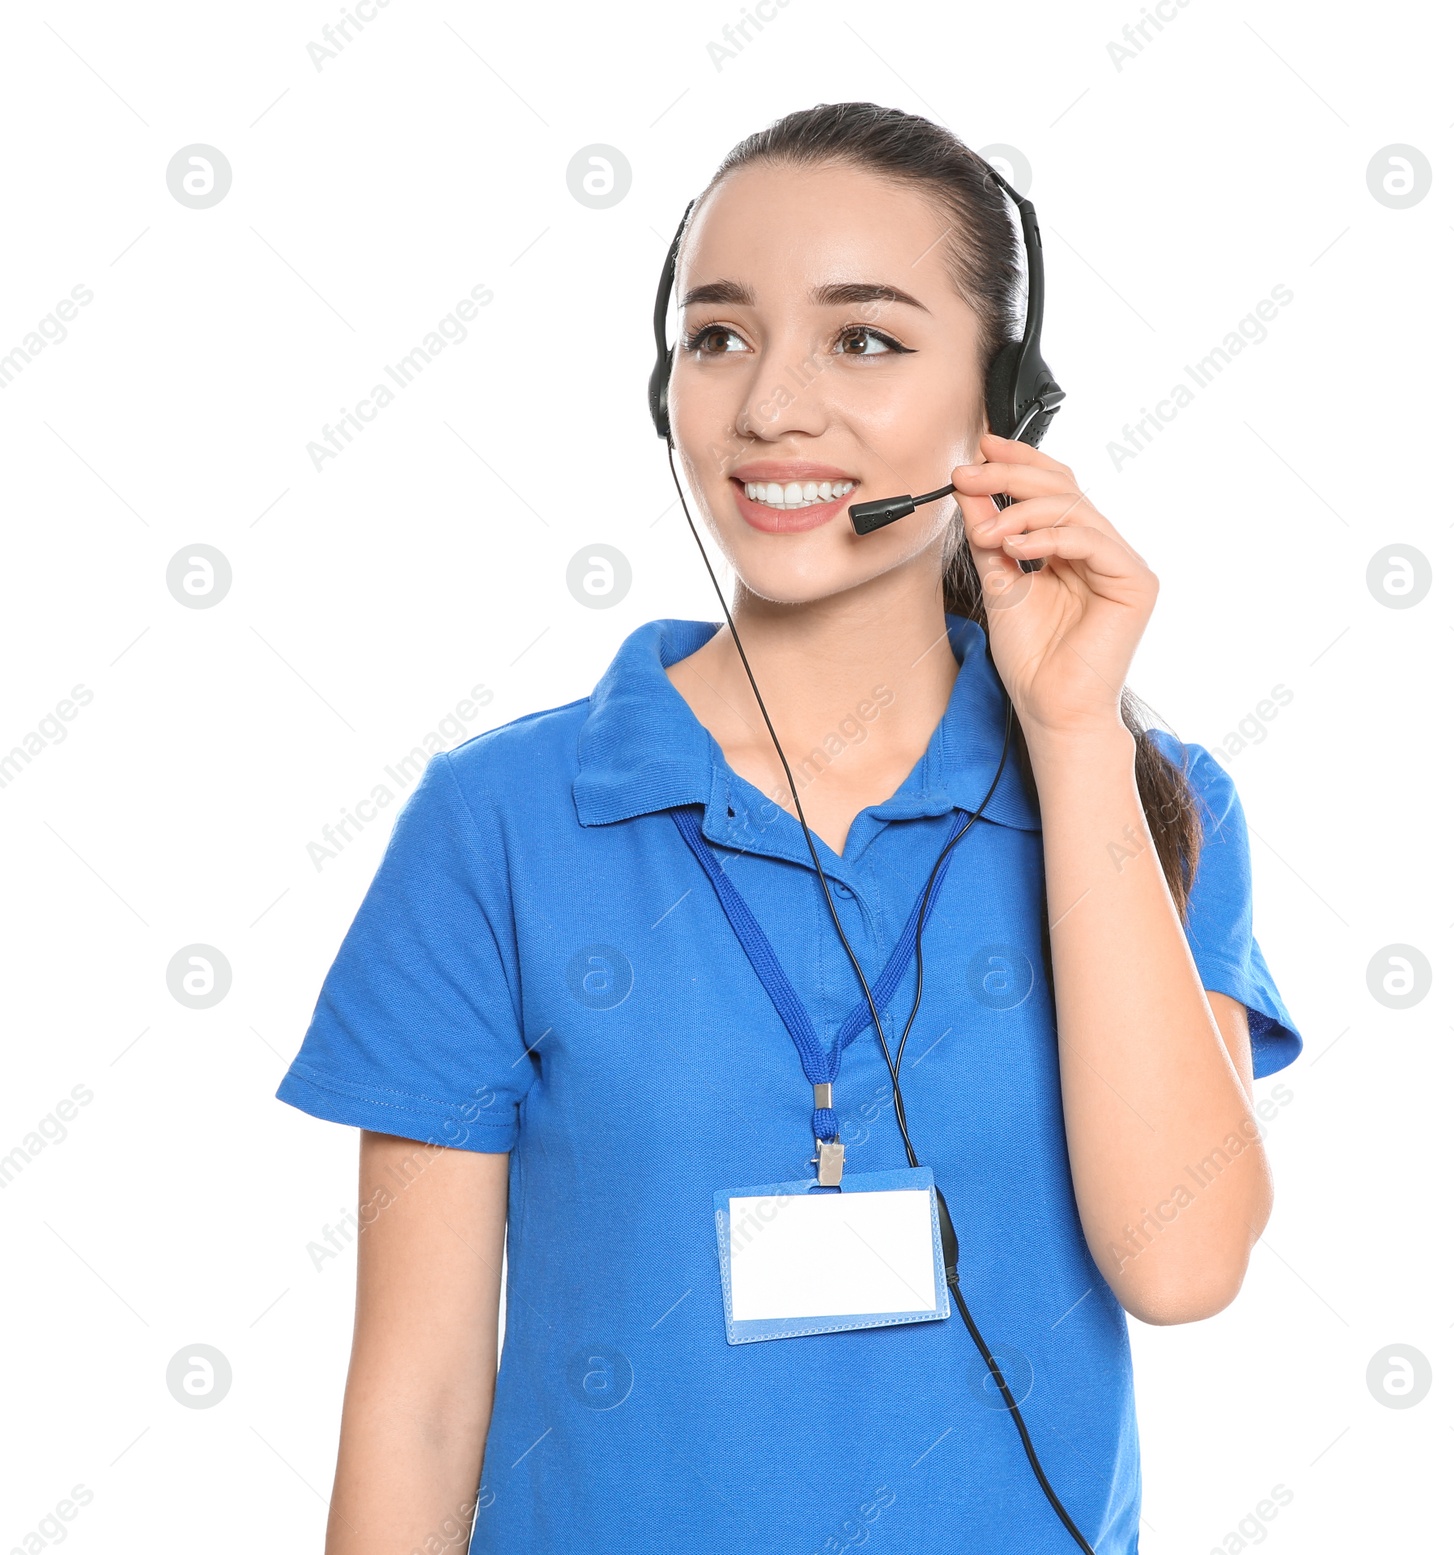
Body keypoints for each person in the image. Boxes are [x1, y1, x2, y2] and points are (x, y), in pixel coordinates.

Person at [275, 101, 1303, 1555]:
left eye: (864, 340)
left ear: (1003, 402)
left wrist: (1072, 735)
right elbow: (418, 1407)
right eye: (719, 336)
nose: (770, 410)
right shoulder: (498, 825)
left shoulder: (1141, 792)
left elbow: (1184, 1264)